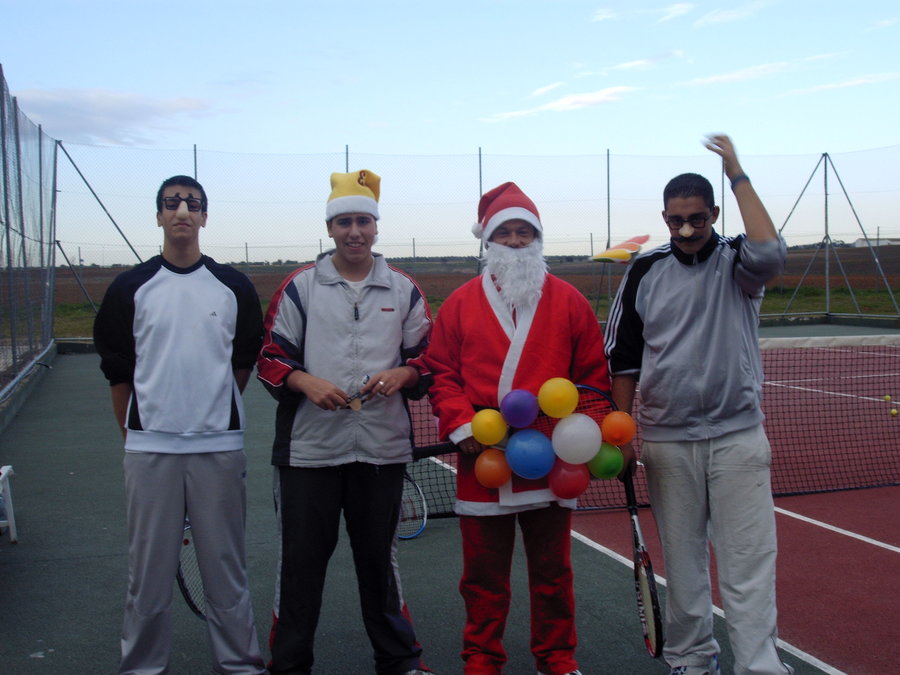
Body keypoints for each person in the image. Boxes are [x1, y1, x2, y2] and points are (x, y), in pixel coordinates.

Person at [604, 135, 794, 675]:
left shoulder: (739, 263)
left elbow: (771, 252)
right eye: (676, 220)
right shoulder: (644, 270)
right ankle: (690, 659)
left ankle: (758, 665)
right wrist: (622, 435)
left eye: (696, 219)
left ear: (713, 214)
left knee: (748, 560)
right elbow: (623, 357)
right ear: (664, 218)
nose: (686, 229)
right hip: (667, 442)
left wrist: (736, 172)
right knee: (683, 564)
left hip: (737, 438)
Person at [423, 182, 609, 675]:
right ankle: (482, 658)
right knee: (482, 575)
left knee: (553, 570)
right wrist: (461, 425)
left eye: (524, 232)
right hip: (481, 455)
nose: (514, 241)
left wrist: (585, 433)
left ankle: (557, 657)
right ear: (488, 241)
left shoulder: (569, 301)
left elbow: (593, 377)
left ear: (537, 238)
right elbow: (441, 372)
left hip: (551, 456)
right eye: (503, 232)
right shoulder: (460, 303)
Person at [256, 170, 434, 675]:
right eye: (344, 223)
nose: (354, 232)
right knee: (300, 565)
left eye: (363, 221)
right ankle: (289, 665)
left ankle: (399, 661)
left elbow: (429, 360)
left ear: (375, 227)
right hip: (309, 453)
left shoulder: (403, 289)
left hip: (381, 450)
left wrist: (403, 373)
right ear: (330, 229)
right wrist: (305, 382)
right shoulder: (300, 287)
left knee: (380, 563)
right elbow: (269, 357)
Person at [93, 175, 266, 675]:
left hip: (219, 447)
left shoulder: (234, 286)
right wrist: (137, 434)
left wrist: (212, 410)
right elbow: (119, 371)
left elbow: (242, 362)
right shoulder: (131, 287)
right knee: (148, 572)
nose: (182, 212)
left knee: (226, 568)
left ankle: (240, 664)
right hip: (150, 450)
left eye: (192, 204)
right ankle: (142, 666)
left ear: (205, 217)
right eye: (172, 204)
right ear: (159, 216)